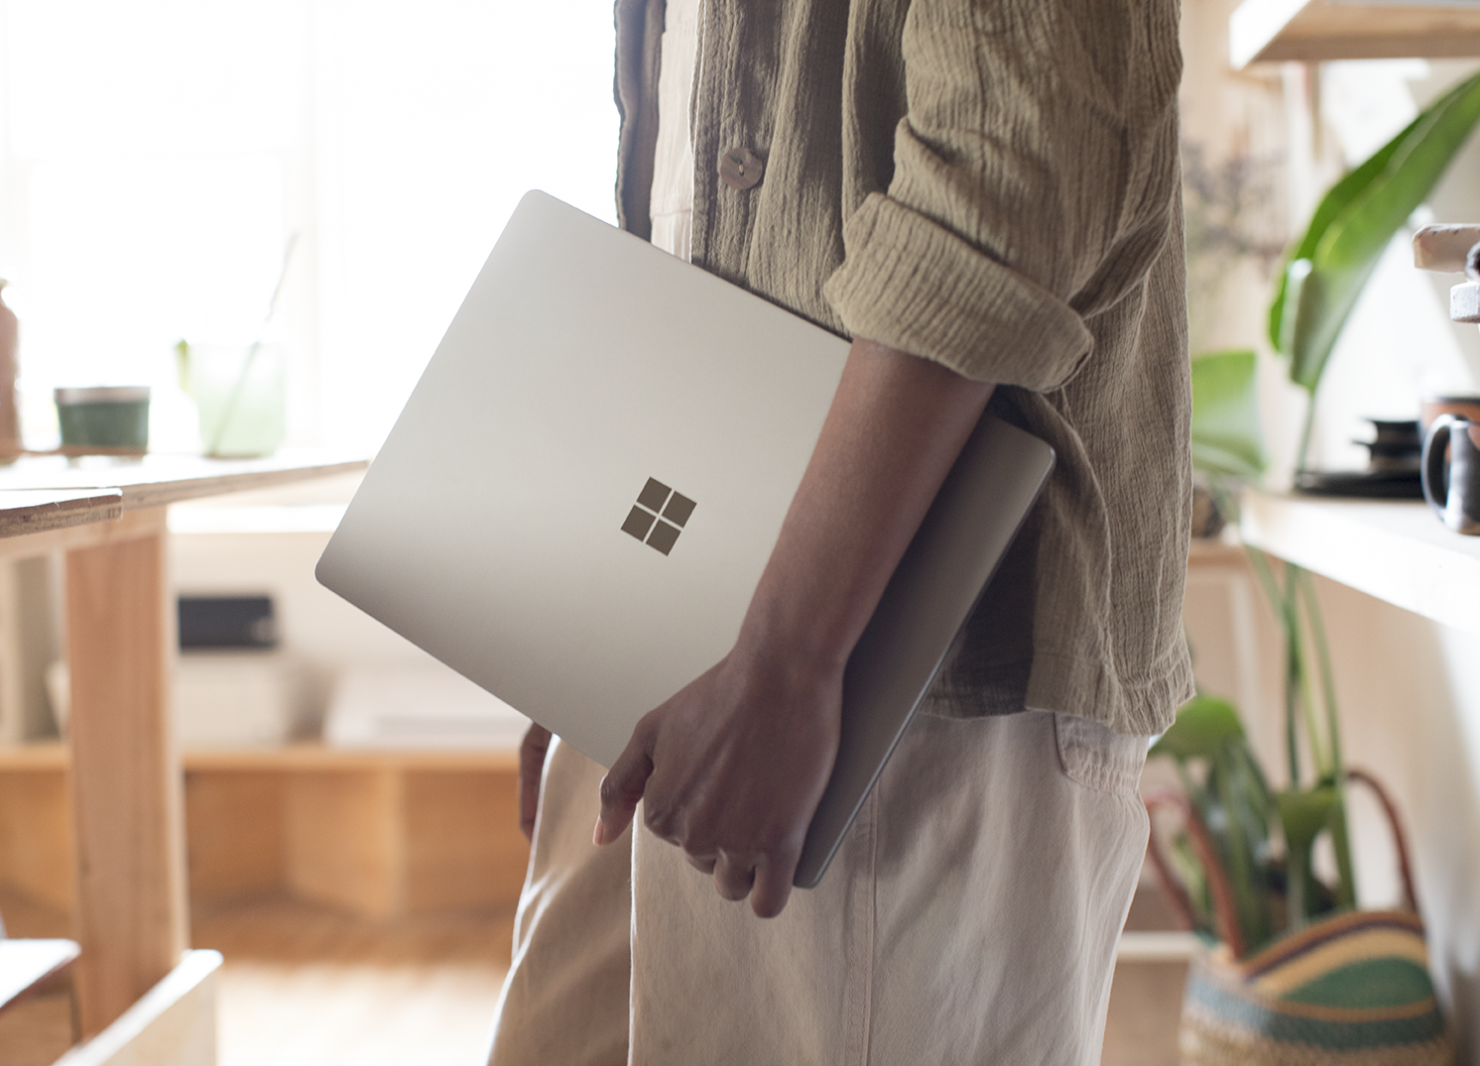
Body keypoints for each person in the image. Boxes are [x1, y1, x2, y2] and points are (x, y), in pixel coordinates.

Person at [487, 0, 1191, 1061]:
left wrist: (788, 652)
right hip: (682, 638)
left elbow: (1017, 164)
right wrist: (602, 614)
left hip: (902, 659)